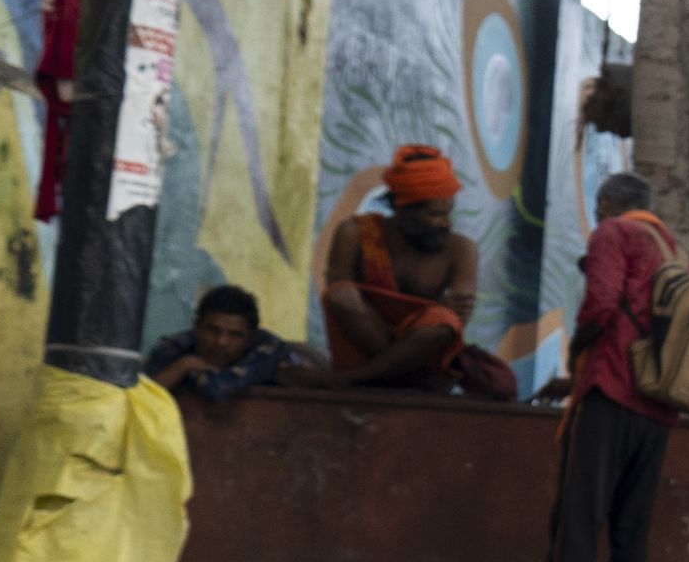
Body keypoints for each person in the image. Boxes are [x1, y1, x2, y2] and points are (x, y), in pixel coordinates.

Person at [511, 171, 685, 562]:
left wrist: (576, 355)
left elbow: (602, 303)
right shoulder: (671, 249)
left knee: (577, 527)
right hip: (657, 406)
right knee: (631, 536)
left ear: (608, 203)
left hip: (610, 391)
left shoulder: (614, 233)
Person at [321, 144, 514, 396]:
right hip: (366, 348)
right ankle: (399, 374)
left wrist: (429, 318)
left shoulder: (461, 249)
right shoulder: (355, 233)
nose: (445, 223)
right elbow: (338, 295)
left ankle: (357, 378)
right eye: (435, 214)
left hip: (423, 352)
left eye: (448, 213)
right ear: (402, 208)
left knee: (444, 322)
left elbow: (456, 317)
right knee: (340, 294)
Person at [143, 283, 307, 401]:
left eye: (235, 335)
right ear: (196, 327)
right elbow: (140, 397)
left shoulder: (268, 348)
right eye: (213, 330)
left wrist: (188, 373)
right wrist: (183, 366)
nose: (221, 342)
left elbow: (217, 389)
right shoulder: (175, 346)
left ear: (250, 338)